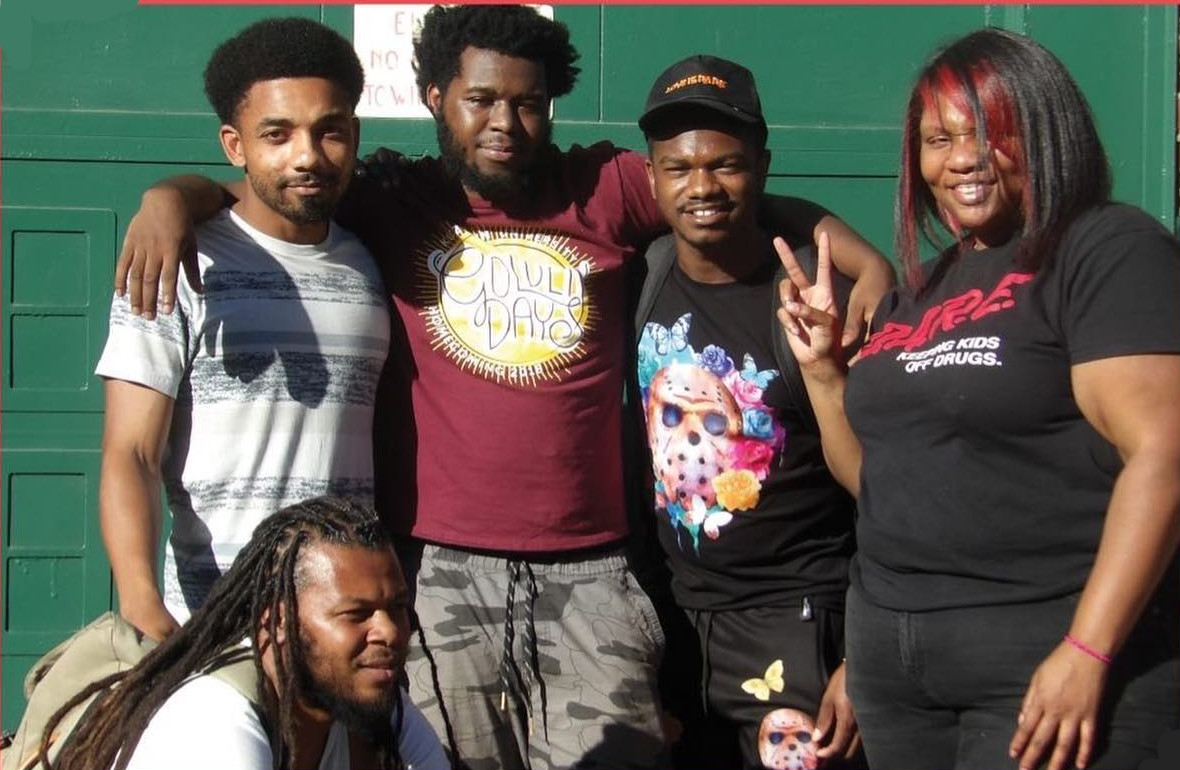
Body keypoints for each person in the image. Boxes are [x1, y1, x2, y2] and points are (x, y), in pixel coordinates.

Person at [113, 7, 892, 767]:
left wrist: (871, 262)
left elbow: (718, 189)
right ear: (434, 102)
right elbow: (276, 182)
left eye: (527, 103)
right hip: (442, 572)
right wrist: (170, 200)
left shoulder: (604, 189)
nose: (504, 123)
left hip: (592, 569)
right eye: (480, 99)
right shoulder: (391, 198)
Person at [777, 28, 1180, 770]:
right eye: (938, 139)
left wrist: (1087, 650)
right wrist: (827, 374)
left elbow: (1163, 455)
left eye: (990, 132)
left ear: (1047, 133)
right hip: (897, 672)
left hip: (1039, 655)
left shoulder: (1106, 251)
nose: (960, 157)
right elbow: (883, 484)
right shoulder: (920, 288)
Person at [95, 18, 390, 639]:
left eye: (328, 131)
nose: (306, 156)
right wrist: (142, 606)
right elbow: (132, 452)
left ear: (355, 135)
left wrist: (171, 193)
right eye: (276, 135)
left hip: (342, 626)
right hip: (211, 619)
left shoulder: (373, 259)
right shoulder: (178, 262)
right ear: (236, 145)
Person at [631, 55, 867, 770]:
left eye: (726, 165)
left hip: (798, 628)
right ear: (652, 179)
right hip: (674, 629)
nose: (702, 185)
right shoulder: (643, 274)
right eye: (679, 168)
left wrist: (863, 652)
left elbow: (887, 491)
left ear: (762, 167)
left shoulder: (809, 298)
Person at [41, 496, 446, 770]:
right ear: (280, 620)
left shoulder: (368, 698)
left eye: (396, 608)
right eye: (356, 614)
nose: (389, 631)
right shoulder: (217, 724)